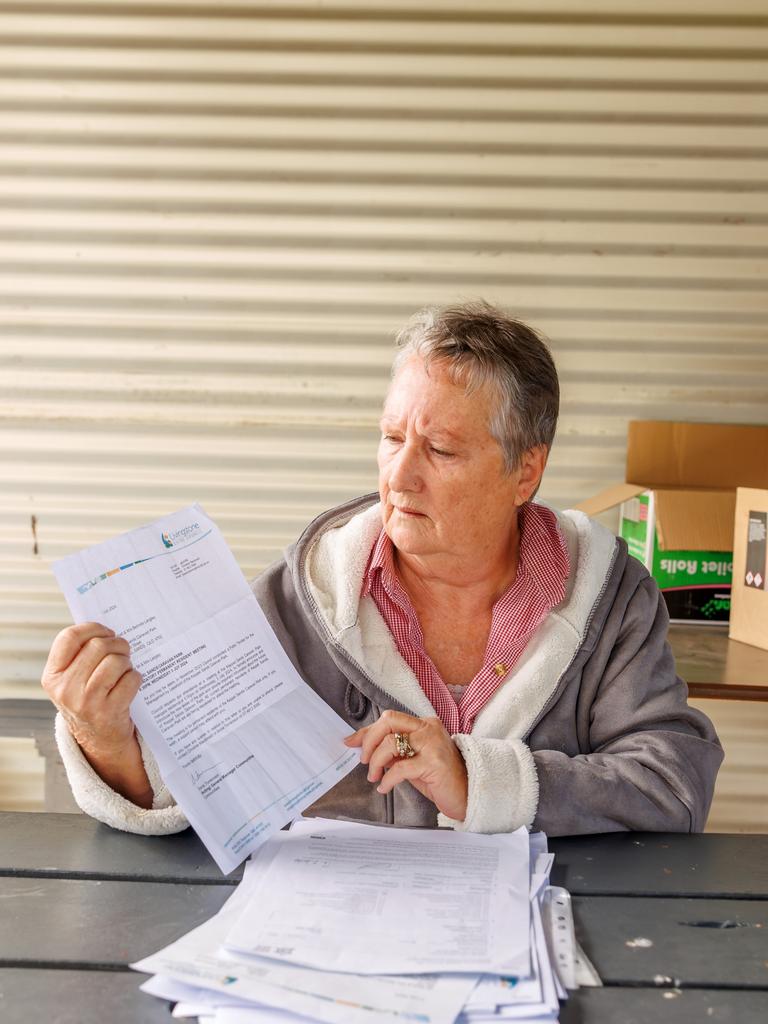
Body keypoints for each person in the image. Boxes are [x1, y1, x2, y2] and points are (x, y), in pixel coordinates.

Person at [42, 301, 722, 837]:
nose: (399, 476)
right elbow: (199, 783)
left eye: (442, 450)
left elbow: (674, 781)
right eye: (392, 438)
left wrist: (478, 779)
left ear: (526, 471)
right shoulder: (305, 594)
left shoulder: (608, 595)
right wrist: (106, 737)